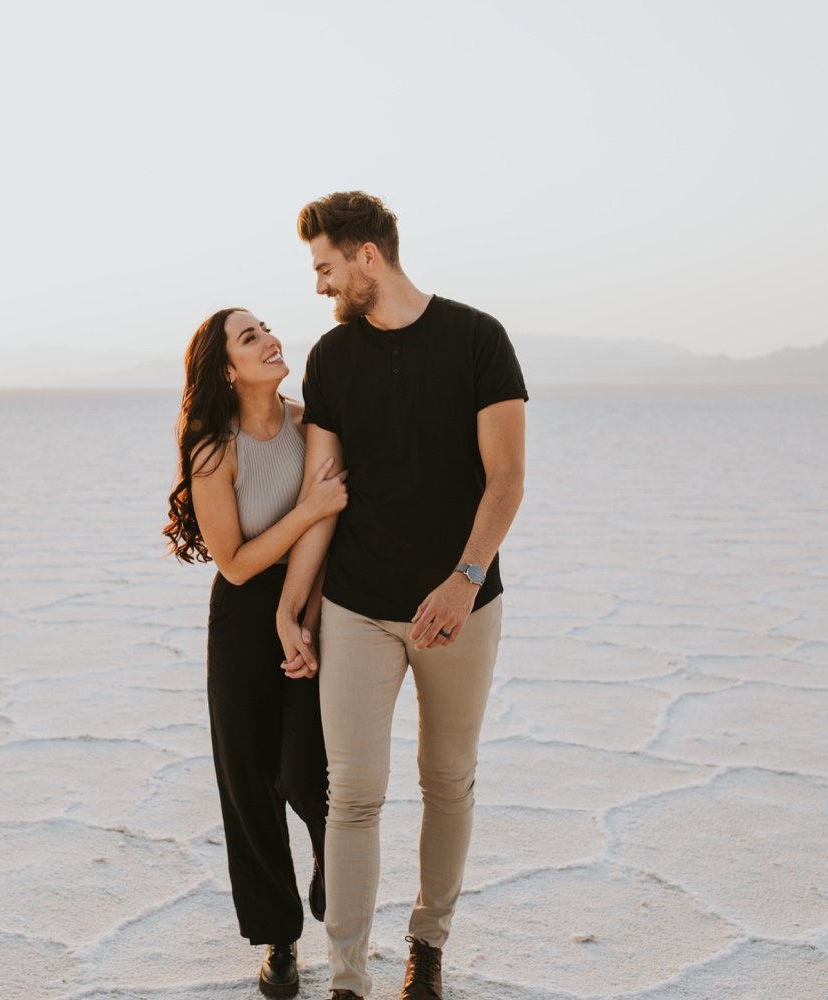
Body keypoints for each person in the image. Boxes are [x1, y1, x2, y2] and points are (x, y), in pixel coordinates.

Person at [275, 193, 527, 1000]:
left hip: (461, 606)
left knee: (447, 777)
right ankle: (347, 976)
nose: (318, 285)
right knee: (352, 791)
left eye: (324, 267)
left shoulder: (478, 339)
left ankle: (428, 946)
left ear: (366, 258)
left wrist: (464, 580)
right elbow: (323, 488)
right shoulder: (331, 357)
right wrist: (300, 602)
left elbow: (507, 479)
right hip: (356, 605)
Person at [164, 306, 348, 998]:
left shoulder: (311, 424)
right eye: (249, 338)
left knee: (308, 769)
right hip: (243, 619)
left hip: (315, 602)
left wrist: (305, 612)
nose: (270, 340)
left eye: (266, 328)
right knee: (249, 785)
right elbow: (236, 564)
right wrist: (306, 510)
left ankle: (335, 870)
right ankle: (280, 939)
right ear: (226, 369)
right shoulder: (216, 447)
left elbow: (336, 525)